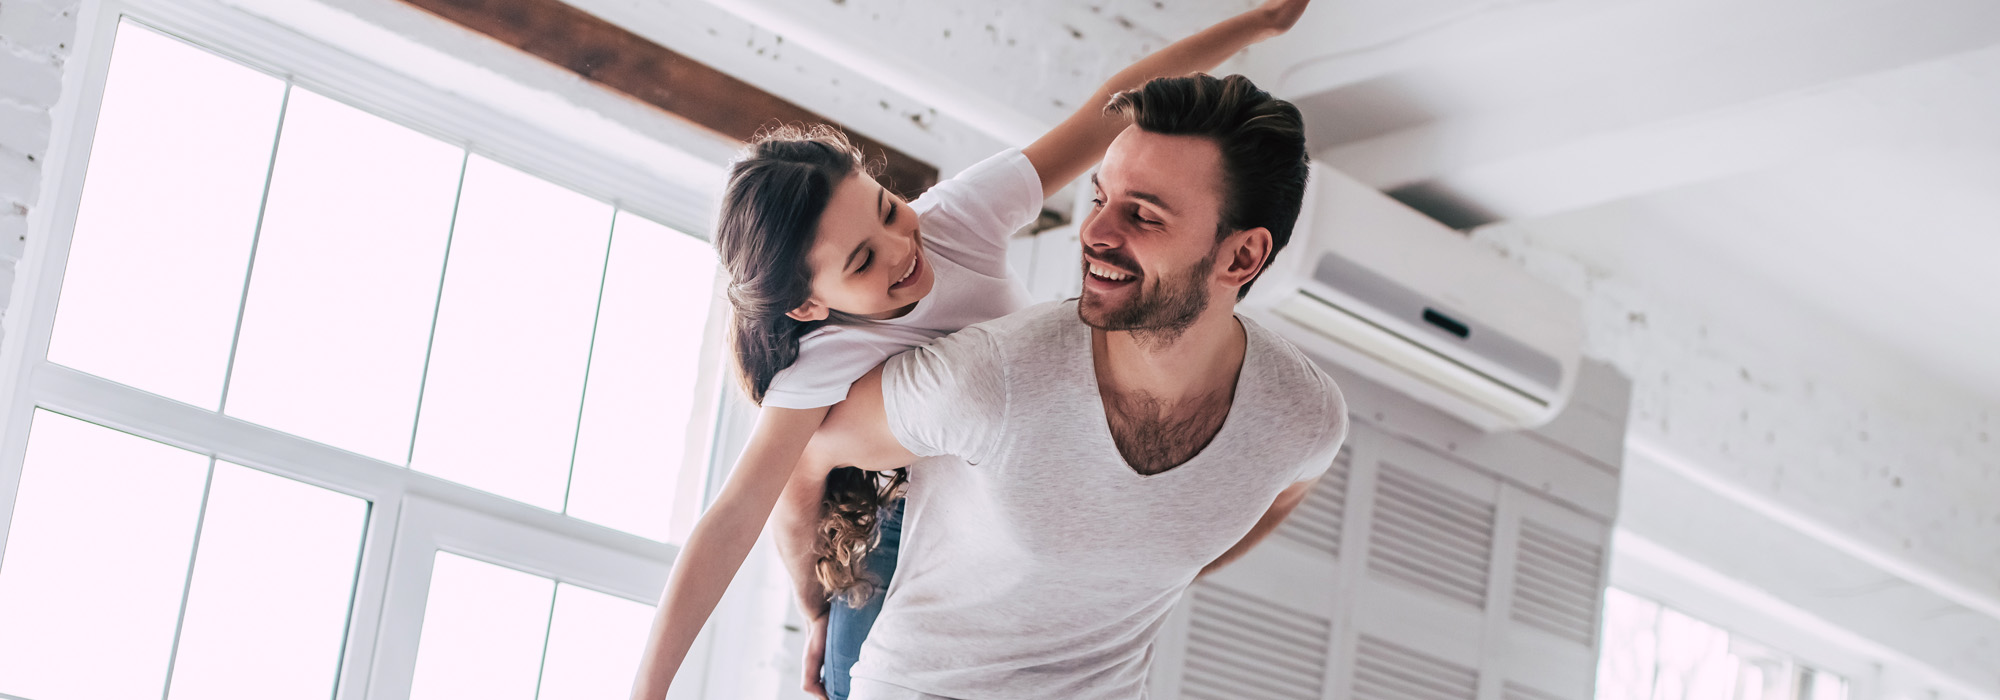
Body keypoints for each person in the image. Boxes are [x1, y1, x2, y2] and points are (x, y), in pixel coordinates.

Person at [627, 4, 1314, 699]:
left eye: (890, 208)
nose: (903, 248)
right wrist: (812, 607)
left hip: (1017, 489)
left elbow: (1112, 110)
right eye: (864, 260)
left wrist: (1257, 25)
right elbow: (739, 516)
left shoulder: (956, 217)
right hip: (907, 527)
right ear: (809, 306)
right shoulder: (826, 357)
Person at [788, 72, 1349, 700]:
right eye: (1100, 199)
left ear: (1242, 257)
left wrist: (1134, 568)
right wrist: (818, 608)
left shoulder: (1304, 417)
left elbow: (1281, 492)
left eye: (1142, 216)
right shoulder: (986, 379)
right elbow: (806, 457)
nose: (1096, 233)